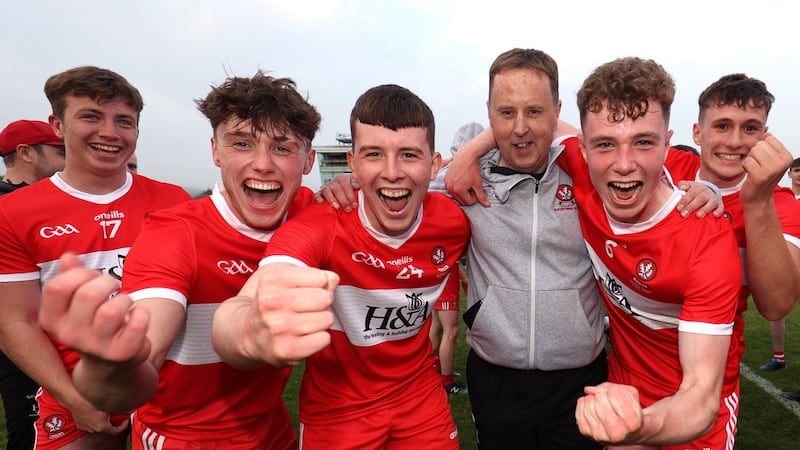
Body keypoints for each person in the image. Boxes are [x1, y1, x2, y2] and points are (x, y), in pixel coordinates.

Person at [37, 71, 321, 449]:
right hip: (184, 438)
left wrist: (348, 185)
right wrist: (110, 368)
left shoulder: (309, 213)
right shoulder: (174, 233)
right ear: (216, 151)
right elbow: (146, 350)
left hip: (271, 430)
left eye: (283, 148)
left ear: (308, 160)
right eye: (242, 144)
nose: (263, 164)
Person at [212, 84, 469, 449]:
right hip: (338, 411)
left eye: (409, 155)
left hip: (420, 399)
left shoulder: (454, 222)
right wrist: (246, 329)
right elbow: (257, 290)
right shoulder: (322, 224)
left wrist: (475, 149)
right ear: (353, 163)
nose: (392, 173)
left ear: (435, 164)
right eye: (374, 154)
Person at [0, 66, 191, 450]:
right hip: (77, 394)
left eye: (125, 121)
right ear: (57, 124)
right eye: (91, 116)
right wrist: (74, 399)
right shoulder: (13, 212)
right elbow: (13, 320)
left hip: (170, 391)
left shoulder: (176, 202)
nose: (110, 133)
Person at [561, 57, 741, 448]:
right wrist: (474, 150)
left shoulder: (705, 237)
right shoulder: (580, 173)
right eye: (606, 144)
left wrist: (639, 424)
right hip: (623, 387)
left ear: (666, 142)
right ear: (583, 149)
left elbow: (701, 394)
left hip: (694, 413)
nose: (624, 164)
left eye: (643, 142)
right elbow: (527, 120)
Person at [0, 119, 66, 450]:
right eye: (60, 152)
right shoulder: (6, 207)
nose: (70, 160)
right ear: (26, 153)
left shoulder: (59, 201)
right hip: (21, 342)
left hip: (65, 339)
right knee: (31, 433)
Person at [429, 121, 483, 396]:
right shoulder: (464, 175)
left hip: (432, 261)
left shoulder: (438, 171)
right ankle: (447, 382)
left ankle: (434, 371)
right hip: (443, 260)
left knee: (436, 324)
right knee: (450, 329)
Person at [758, 157, 800, 373]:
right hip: (779, 254)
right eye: (797, 170)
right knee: (777, 308)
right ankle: (778, 357)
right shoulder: (780, 195)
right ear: (790, 173)